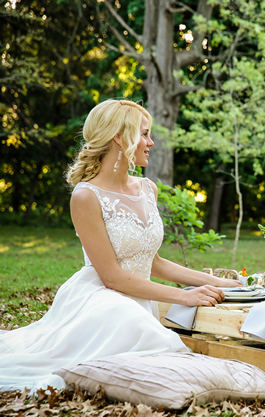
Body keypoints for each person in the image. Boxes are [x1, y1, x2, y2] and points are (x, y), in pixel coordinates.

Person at [0, 99, 242, 391]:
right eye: (144, 133)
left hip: (138, 298)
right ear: (119, 137)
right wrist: (185, 297)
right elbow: (112, 277)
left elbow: (152, 262)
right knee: (144, 335)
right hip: (102, 298)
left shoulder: (147, 189)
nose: (150, 142)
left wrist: (214, 281)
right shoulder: (85, 196)